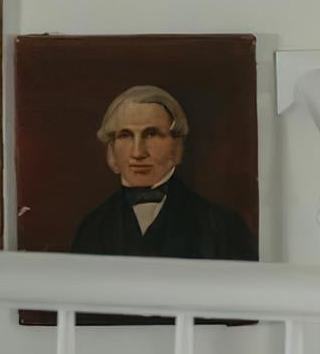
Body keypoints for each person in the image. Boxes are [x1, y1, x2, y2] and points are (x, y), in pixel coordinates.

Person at [70, 86, 257, 260]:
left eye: (151, 134)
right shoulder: (92, 227)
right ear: (111, 149)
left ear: (178, 147)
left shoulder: (221, 226)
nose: (138, 153)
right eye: (125, 135)